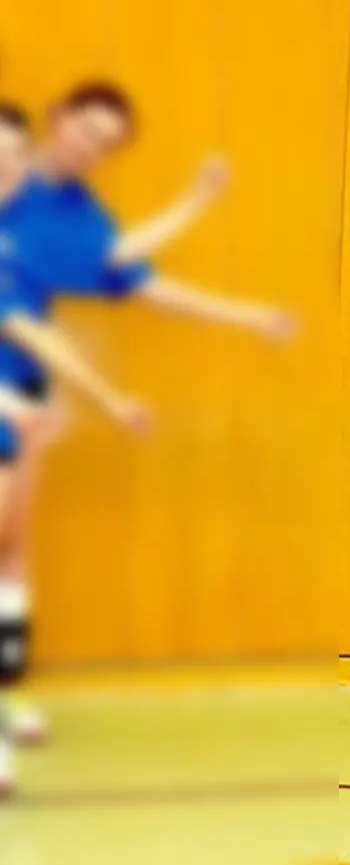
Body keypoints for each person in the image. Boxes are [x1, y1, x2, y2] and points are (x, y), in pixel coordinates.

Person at [0, 85, 293, 745]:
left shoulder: (76, 216)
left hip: (19, 388)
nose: (89, 147)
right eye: (86, 129)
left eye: (106, 142)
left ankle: (9, 699)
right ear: (58, 119)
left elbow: (132, 272)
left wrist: (244, 309)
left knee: (11, 555)